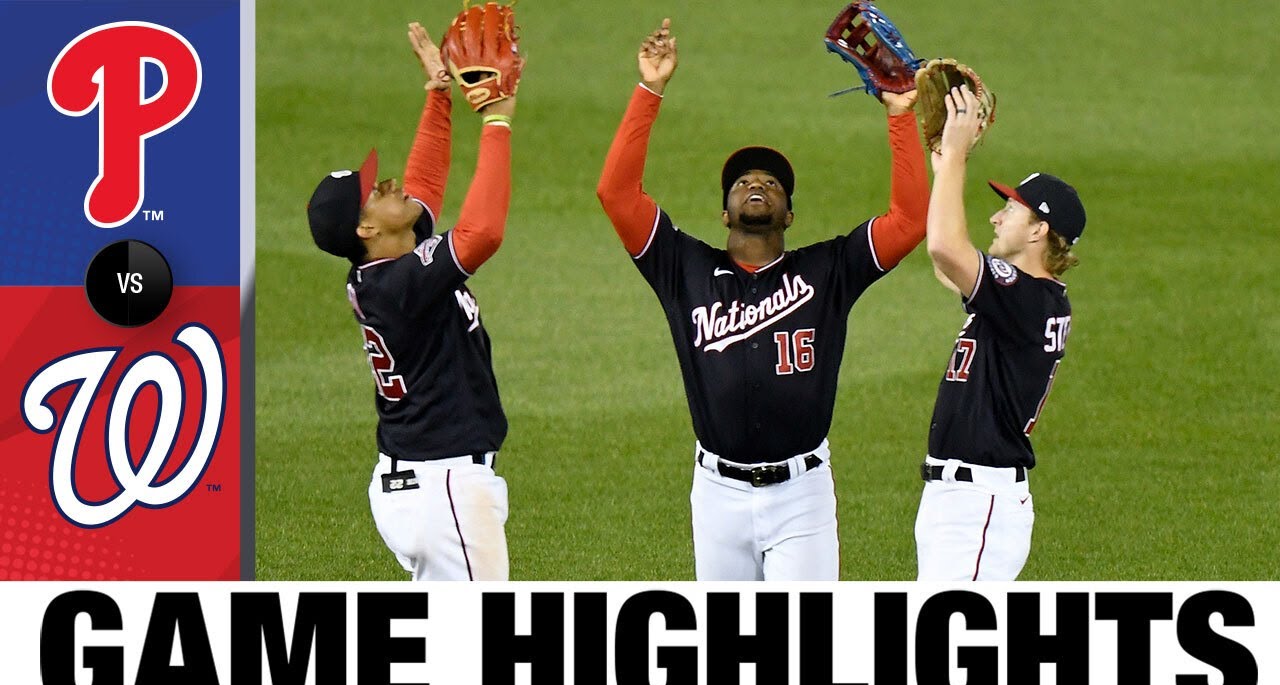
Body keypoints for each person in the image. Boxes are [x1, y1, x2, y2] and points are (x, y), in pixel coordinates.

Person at [596, 19, 928, 580]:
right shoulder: (682, 267)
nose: (757, 185)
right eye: (743, 182)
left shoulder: (829, 269)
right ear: (725, 213)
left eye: (772, 184)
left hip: (802, 496)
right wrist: (649, 89)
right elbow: (616, 193)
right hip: (717, 495)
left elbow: (910, 220)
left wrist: (900, 117)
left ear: (789, 215)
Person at [305, 22, 516, 580]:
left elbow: (423, 183)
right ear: (366, 229)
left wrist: (438, 93)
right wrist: (497, 122)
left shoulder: (388, 262)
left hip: (423, 480)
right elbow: (482, 233)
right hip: (440, 486)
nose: (386, 183)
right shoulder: (397, 286)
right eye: (372, 192)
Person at [916, 84, 1086, 581]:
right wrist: (941, 167)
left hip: (977, 507)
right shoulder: (1030, 296)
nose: (996, 214)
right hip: (968, 501)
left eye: (1011, 210)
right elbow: (950, 267)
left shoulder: (1026, 298)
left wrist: (956, 162)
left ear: (1038, 231)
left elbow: (946, 249)